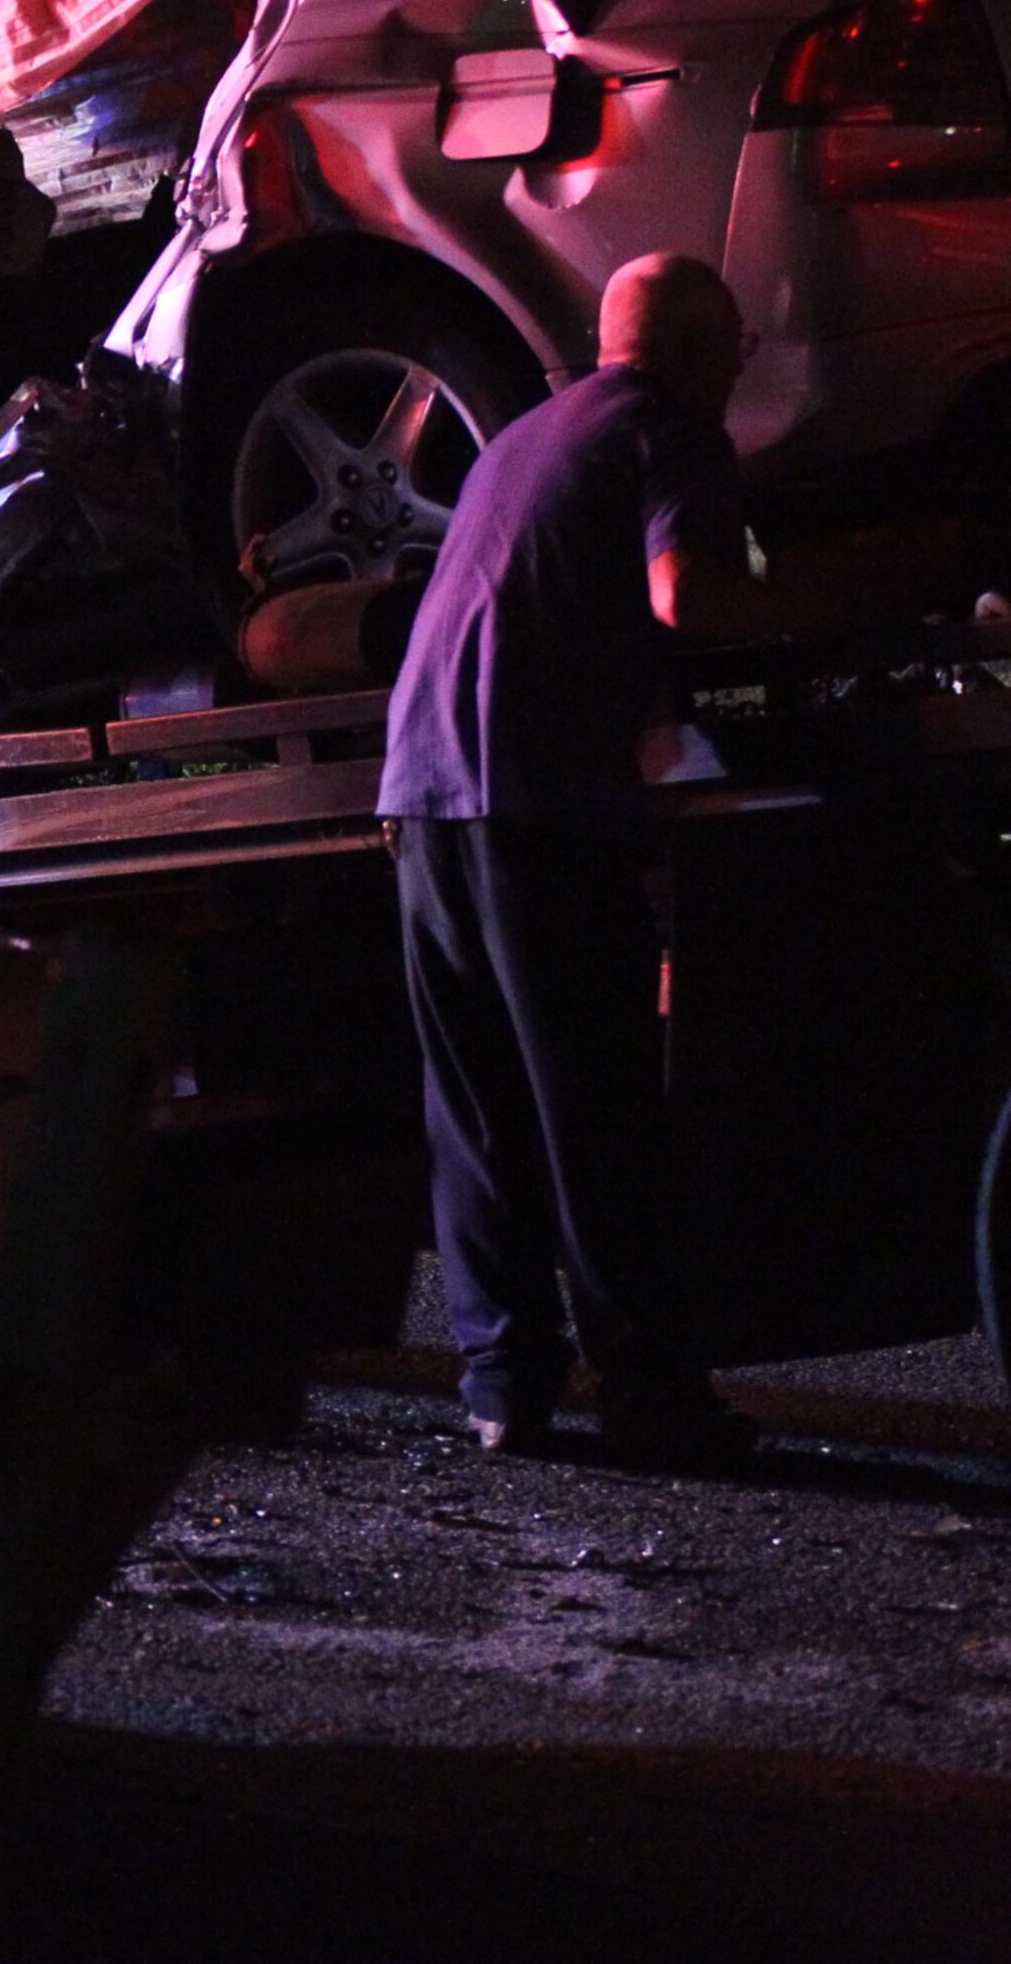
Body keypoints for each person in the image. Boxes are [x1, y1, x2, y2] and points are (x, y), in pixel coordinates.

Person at [379, 252, 834, 1469]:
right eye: (731, 341)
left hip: (426, 794)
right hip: (542, 803)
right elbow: (687, 598)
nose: (741, 364)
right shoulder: (669, 431)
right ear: (685, 348)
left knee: (477, 1107)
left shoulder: (527, 436)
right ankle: (652, 1394)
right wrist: (818, 604)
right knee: (600, 1108)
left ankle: (505, 1390)